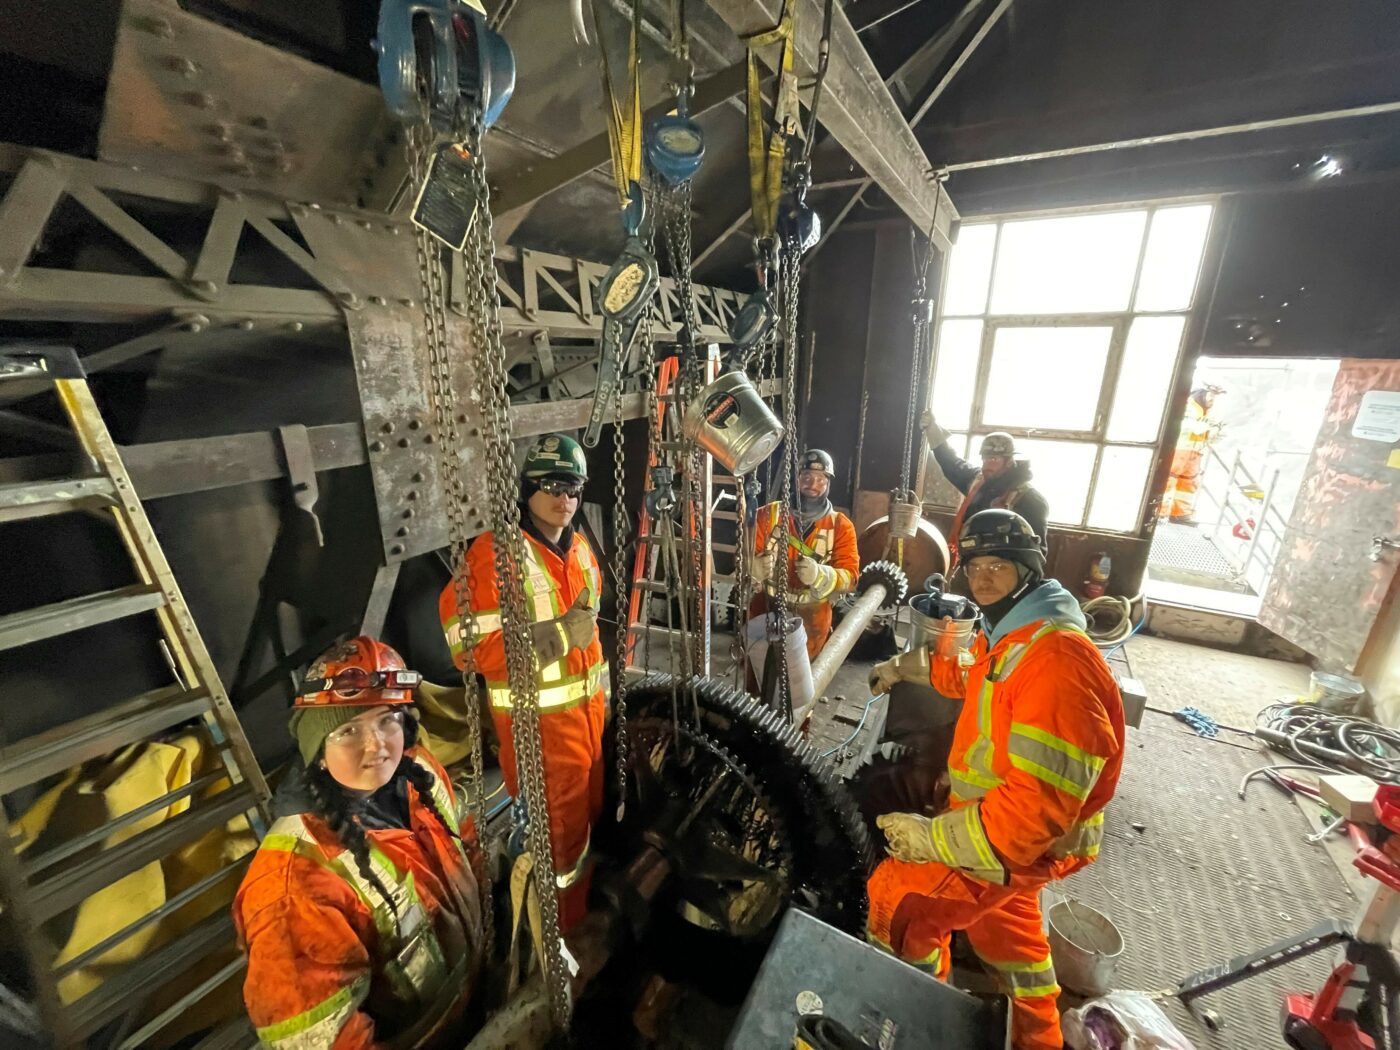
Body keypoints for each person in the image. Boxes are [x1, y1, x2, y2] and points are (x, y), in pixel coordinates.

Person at [865, 510, 1124, 1050]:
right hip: (1020, 838)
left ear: (1028, 567)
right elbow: (982, 678)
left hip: (1016, 842)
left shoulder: (1057, 662)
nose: (983, 578)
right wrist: (911, 668)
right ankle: (1039, 1039)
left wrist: (931, 838)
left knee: (903, 904)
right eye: (975, 566)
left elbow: (1032, 812)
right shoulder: (1020, 635)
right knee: (1006, 938)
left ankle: (916, 1024)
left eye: (998, 565)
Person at [234, 636, 486, 1050]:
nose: (377, 746)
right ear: (317, 751)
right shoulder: (292, 888)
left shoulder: (420, 773)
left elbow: (467, 846)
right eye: (348, 730)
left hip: (469, 1003)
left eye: (387, 719)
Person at [439, 432, 605, 931]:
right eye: (552, 486)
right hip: (540, 733)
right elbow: (468, 647)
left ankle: (586, 907)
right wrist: (557, 634)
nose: (565, 499)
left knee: (586, 826)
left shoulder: (578, 549)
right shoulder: (495, 555)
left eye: (573, 488)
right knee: (560, 847)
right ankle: (562, 939)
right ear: (527, 489)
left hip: (590, 723)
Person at [750, 448, 861, 660]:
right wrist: (751, 567)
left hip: (812, 621)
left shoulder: (840, 526)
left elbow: (851, 578)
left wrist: (821, 575)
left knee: (802, 685)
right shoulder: (768, 515)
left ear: (829, 484)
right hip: (765, 609)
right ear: (797, 478)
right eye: (807, 477)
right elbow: (744, 556)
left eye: (821, 479)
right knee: (756, 677)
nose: (813, 485)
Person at [922, 412, 1049, 566]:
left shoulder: (1029, 500)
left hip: (1003, 572)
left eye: (994, 459)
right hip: (969, 562)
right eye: (985, 458)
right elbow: (952, 463)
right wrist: (934, 431)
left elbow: (1038, 552)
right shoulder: (978, 482)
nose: (986, 465)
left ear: (1009, 462)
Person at [1161, 384, 1224, 524]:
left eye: (1216, 397)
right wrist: (1212, 426)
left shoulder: (1208, 412)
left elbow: (1216, 433)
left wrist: (1215, 431)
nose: (1212, 400)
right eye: (1211, 395)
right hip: (1179, 450)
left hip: (1195, 453)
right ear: (1203, 393)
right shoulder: (1188, 406)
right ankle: (1160, 512)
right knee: (1169, 480)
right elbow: (1194, 427)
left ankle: (1179, 514)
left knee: (1188, 483)